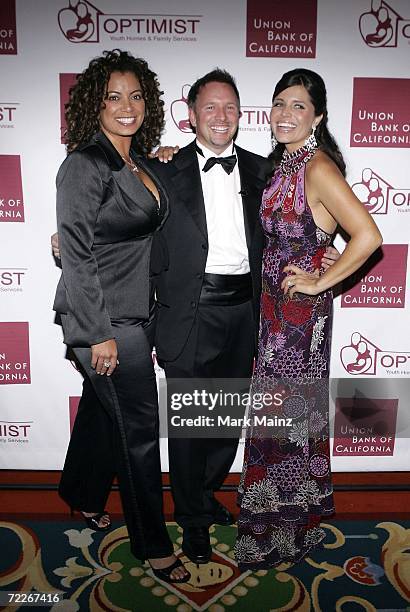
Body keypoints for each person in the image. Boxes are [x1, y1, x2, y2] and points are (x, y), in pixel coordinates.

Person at [52, 67, 340, 567]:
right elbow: (116, 222)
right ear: (190, 116)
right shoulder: (162, 168)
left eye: (230, 107)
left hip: (249, 311)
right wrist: (70, 243)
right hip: (188, 312)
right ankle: (191, 522)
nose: (221, 116)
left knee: (226, 421)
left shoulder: (264, 170)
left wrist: (326, 254)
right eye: (210, 107)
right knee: (190, 424)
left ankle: (205, 494)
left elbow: (297, 218)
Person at [235, 68, 382, 571]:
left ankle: (282, 531)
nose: (285, 114)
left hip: (300, 325)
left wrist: (322, 280)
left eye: (298, 105)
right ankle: (284, 528)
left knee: (289, 424)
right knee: (283, 422)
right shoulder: (281, 165)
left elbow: (368, 236)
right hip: (274, 317)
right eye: (279, 103)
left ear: (317, 117)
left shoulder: (317, 167)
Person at [53, 49, 189, 583]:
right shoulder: (84, 165)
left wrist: (164, 160)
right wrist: (97, 334)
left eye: (136, 95)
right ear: (95, 104)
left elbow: (141, 222)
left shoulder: (138, 163)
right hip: (105, 321)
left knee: (100, 410)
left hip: (141, 311)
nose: (126, 106)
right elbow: (79, 252)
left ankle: (80, 491)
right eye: (113, 97)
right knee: (138, 430)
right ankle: (152, 544)